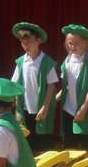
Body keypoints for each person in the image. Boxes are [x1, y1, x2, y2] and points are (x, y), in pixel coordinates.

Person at [10, 22, 60, 153]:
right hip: (25, 110)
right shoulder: (21, 62)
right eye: (22, 42)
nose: (25, 45)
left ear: (38, 41)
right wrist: (17, 110)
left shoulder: (46, 62)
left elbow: (51, 86)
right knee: (28, 145)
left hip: (41, 111)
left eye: (29, 42)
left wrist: (45, 107)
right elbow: (15, 85)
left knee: (44, 146)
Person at [59, 24, 88, 151]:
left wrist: (83, 109)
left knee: (86, 147)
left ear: (85, 43)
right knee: (69, 148)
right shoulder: (67, 61)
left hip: (86, 111)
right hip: (69, 110)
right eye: (70, 43)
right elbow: (66, 87)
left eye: (76, 43)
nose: (72, 47)